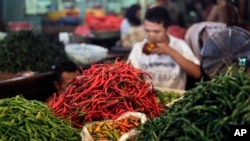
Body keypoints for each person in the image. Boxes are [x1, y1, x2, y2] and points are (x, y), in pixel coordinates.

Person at [127, 7, 201, 90]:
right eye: (147, 31)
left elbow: (197, 73)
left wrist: (171, 52)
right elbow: (133, 78)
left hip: (175, 97)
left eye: (156, 32)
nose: (151, 35)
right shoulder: (139, 47)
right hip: (148, 98)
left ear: (167, 30)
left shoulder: (179, 45)